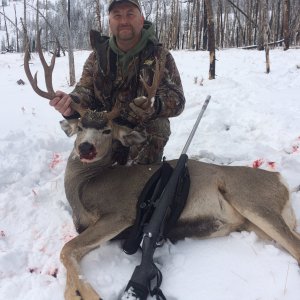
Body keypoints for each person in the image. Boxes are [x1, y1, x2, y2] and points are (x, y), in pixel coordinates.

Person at [50, 0, 185, 164]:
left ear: (141, 20)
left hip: (136, 131)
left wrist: (155, 105)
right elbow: (85, 90)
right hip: (102, 129)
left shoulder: (159, 56)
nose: (123, 21)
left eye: (130, 14)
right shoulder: (97, 57)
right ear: (110, 21)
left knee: (159, 125)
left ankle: (141, 173)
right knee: (81, 155)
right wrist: (71, 102)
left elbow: (177, 99)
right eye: (117, 15)